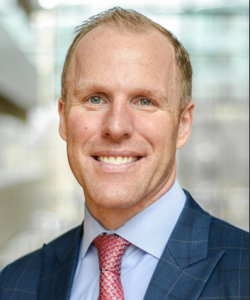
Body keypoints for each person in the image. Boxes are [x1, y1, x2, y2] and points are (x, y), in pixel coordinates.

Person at [0, 7, 249, 300]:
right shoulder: (13, 285)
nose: (116, 127)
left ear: (182, 125)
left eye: (144, 101)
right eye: (95, 98)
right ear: (64, 118)